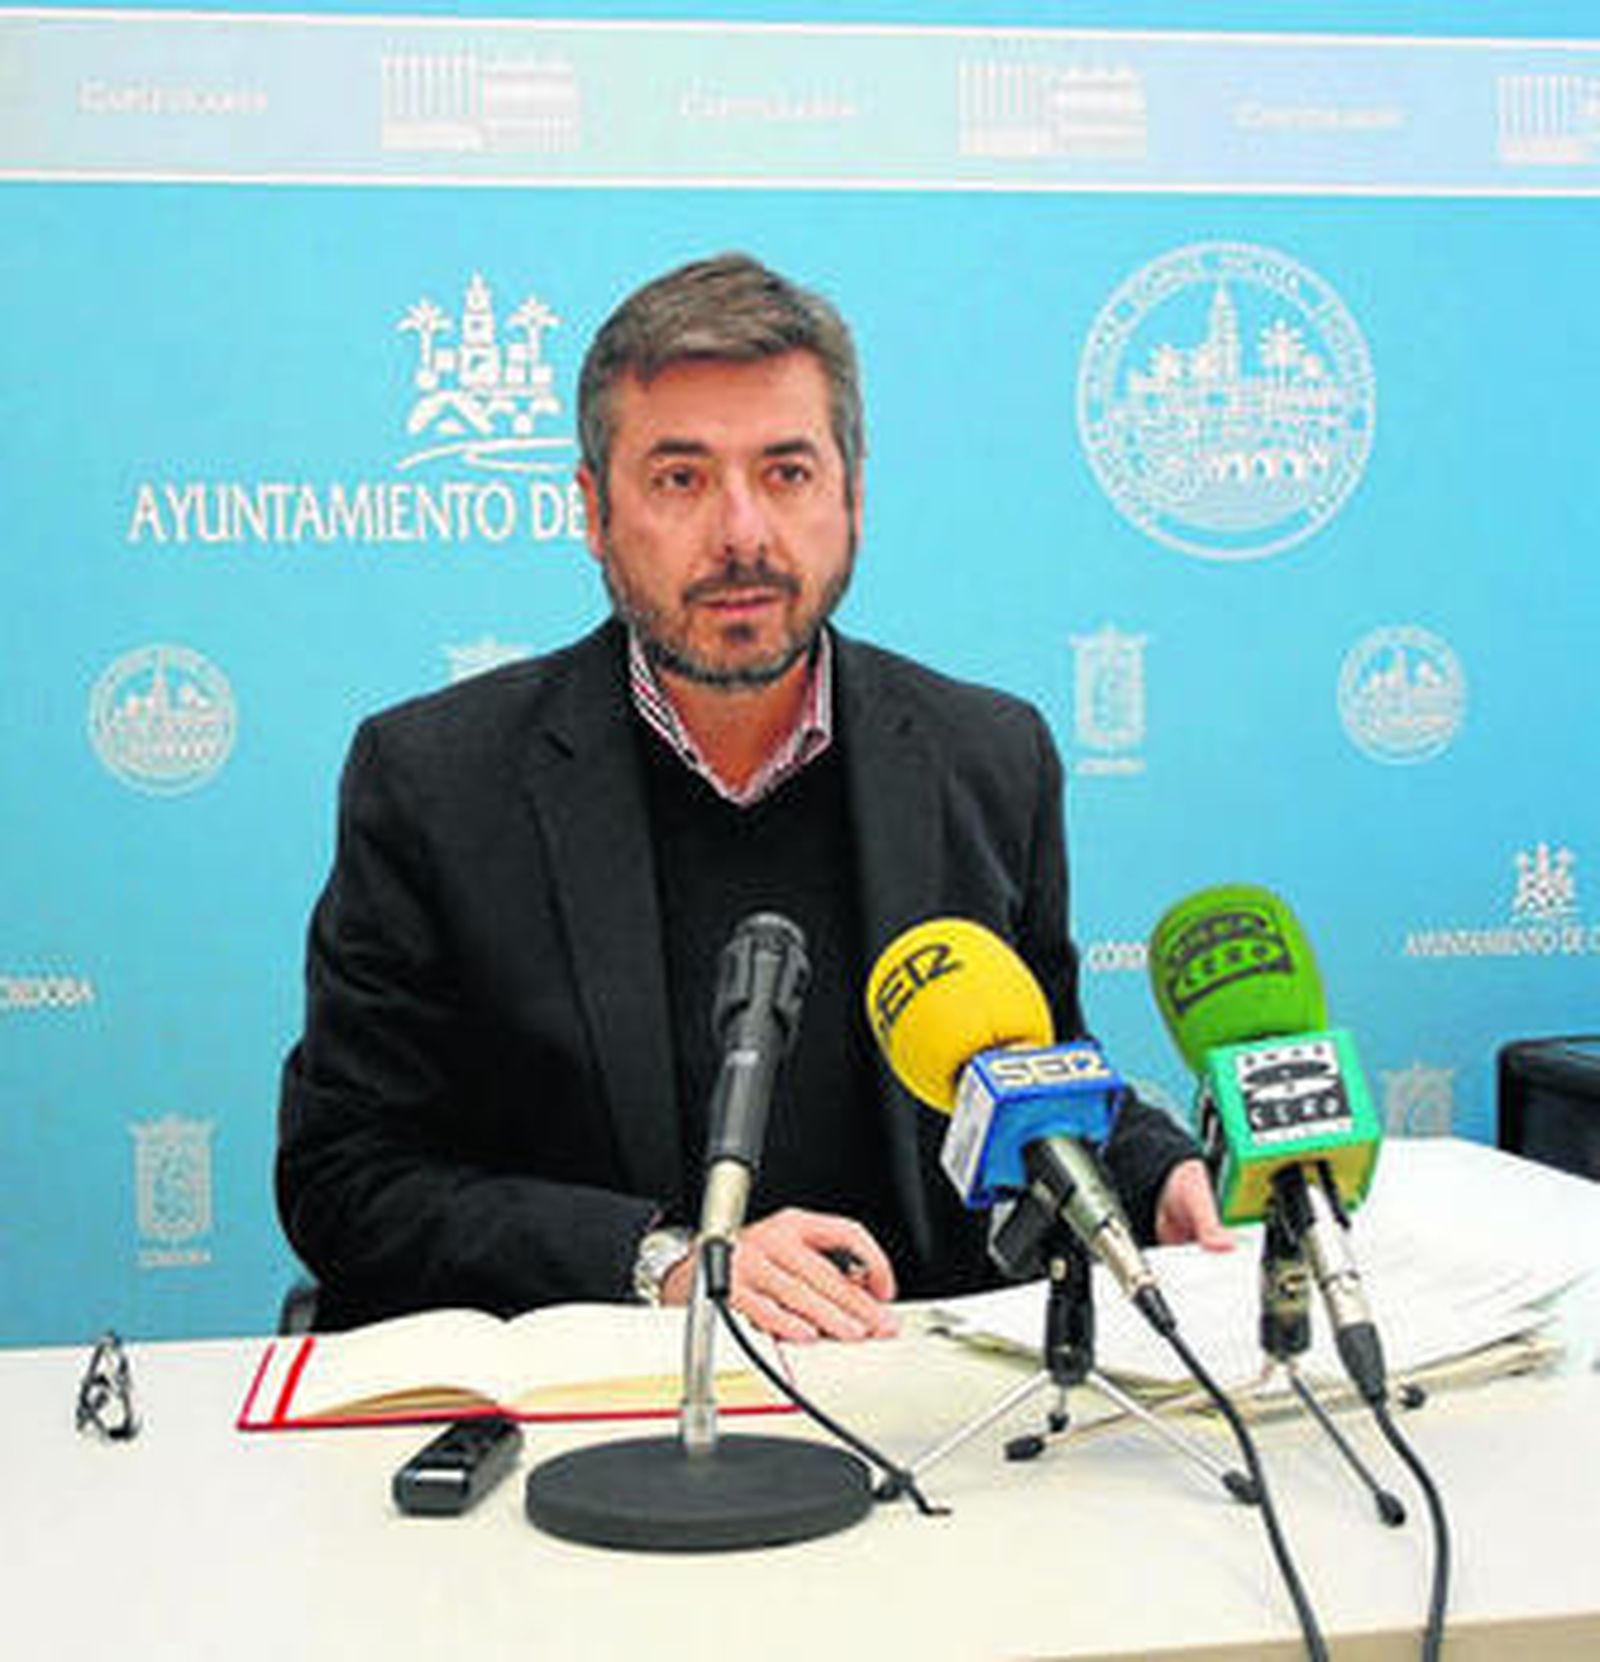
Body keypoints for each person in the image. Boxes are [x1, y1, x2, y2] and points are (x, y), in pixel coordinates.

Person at [276, 252, 1228, 1341]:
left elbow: (1029, 1070)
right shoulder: (436, 783)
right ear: (592, 512)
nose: (741, 533)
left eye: (786, 473)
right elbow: (346, 1181)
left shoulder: (986, 757)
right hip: (600, 1414)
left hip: (924, 1407)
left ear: (853, 497)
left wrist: (1155, 1174)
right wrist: (665, 1264)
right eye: (680, 479)